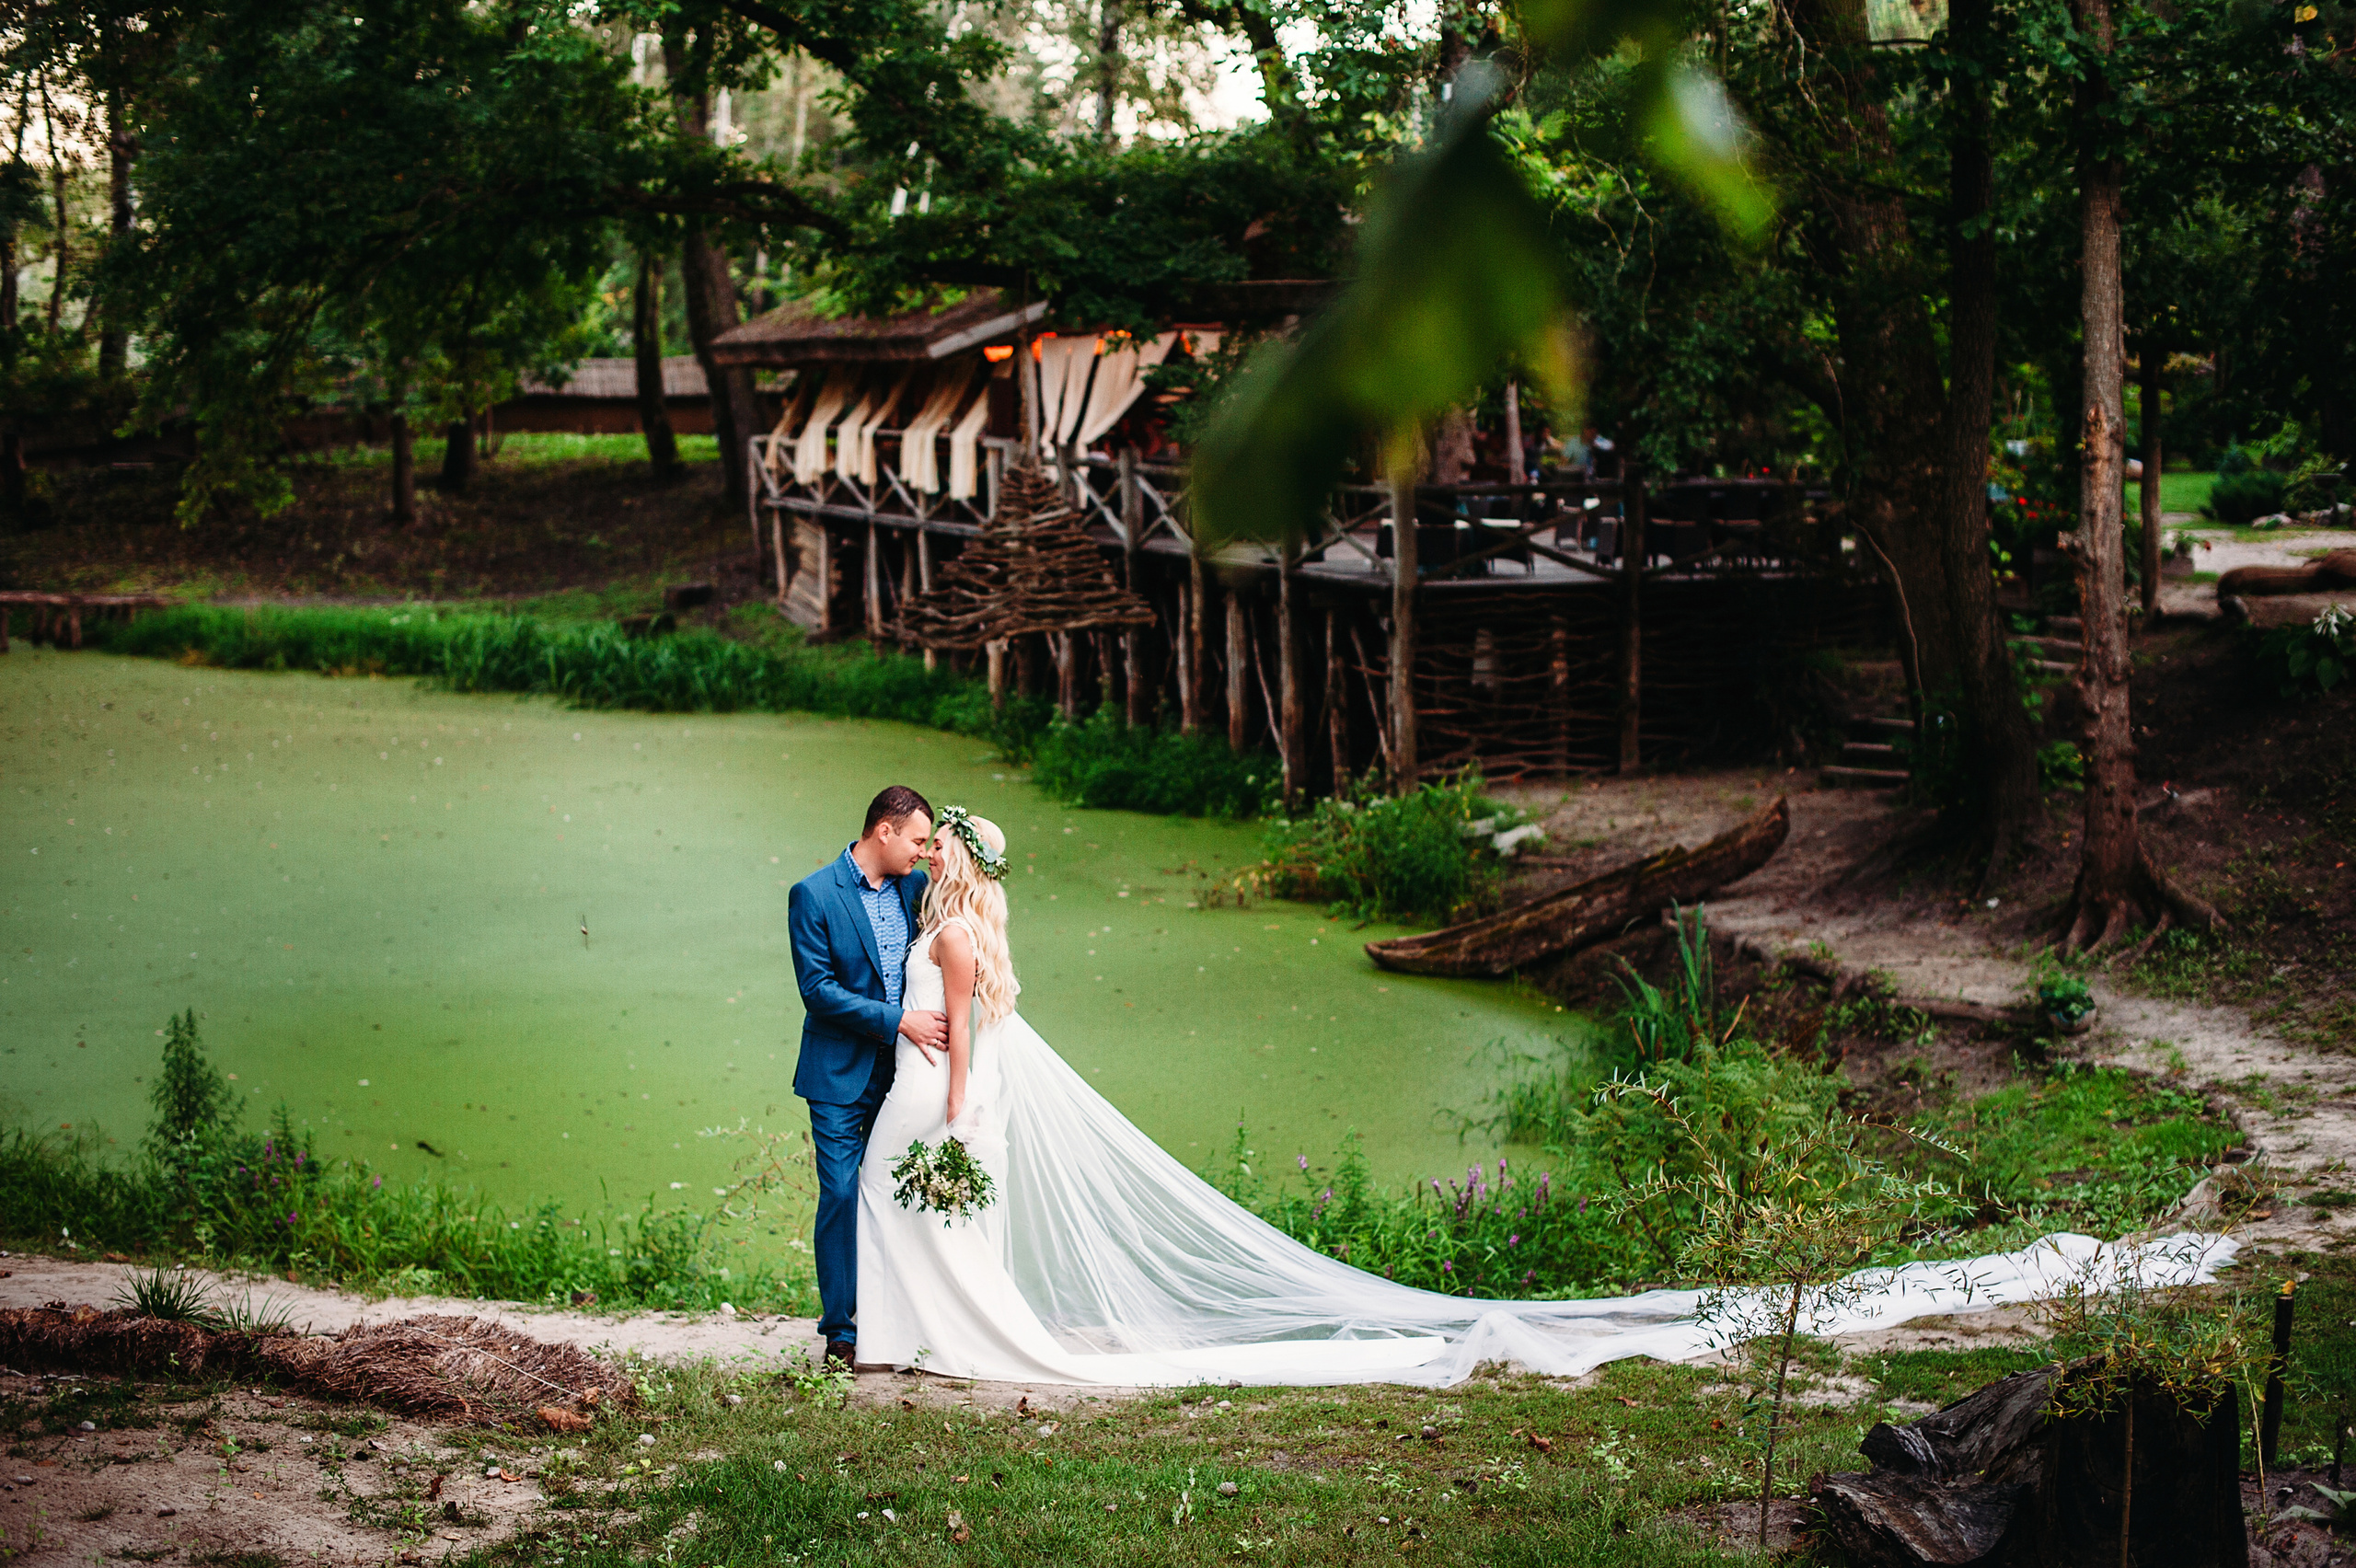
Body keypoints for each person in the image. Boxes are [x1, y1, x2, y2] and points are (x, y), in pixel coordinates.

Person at [848, 807, 2239, 1389]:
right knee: (913, 1219)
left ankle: (958, 1338)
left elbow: (969, 1029)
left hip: (950, 1100)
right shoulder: (969, 918)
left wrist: (959, 1112)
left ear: (951, 869)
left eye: (934, 849)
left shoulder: (961, 930)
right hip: (942, 1091)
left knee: (929, 1212)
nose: (924, 859)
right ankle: (924, 1333)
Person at [788, 785, 946, 1370]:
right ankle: (842, 1331)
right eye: (917, 840)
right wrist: (899, 1019)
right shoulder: (813, 894)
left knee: (898, 1191)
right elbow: (818, 991)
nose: (922, 852)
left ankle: (897, 1315)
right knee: (841, 1192)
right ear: (885, 831)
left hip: (907, 1074)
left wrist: (952, 853)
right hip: (837, 1072)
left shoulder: (917, 887)